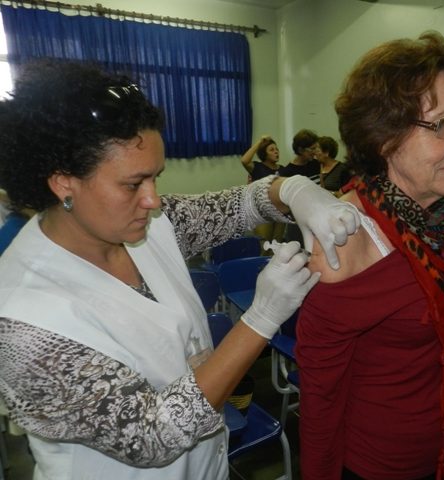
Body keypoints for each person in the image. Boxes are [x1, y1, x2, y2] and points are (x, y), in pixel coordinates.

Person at [0, 59, 360, 480]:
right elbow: (152, 435)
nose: (153, 200)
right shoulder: (21, 317)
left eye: (156, 178)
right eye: (134, 184)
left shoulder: (145, 223)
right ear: (63, 182)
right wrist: (261, 318)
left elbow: (241, 204)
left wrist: (297, 191)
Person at [295, 31, 444, 480]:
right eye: (442, 123)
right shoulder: (344, 240)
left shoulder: (443, 222)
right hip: (381, 466)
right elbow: (321, 402)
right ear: (384, 137)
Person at [240, 135, 286, 248]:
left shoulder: (283, 169)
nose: (276, 152)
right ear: (264, 153)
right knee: (264, 246)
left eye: (277, 149)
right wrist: (260, 142)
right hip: (262, 214)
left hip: (280, 212)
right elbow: (244, 160)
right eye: (271, 150)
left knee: (277, 246)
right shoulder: (257, 167)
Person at [279, 129, 321, 244]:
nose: (315, 152)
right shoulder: (287, 172)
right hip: (298, 224)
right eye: (312, 149)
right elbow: (286, 205)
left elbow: (321, 187)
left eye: (316, 148)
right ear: (300, 150)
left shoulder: (315, 164)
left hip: (317, 218)